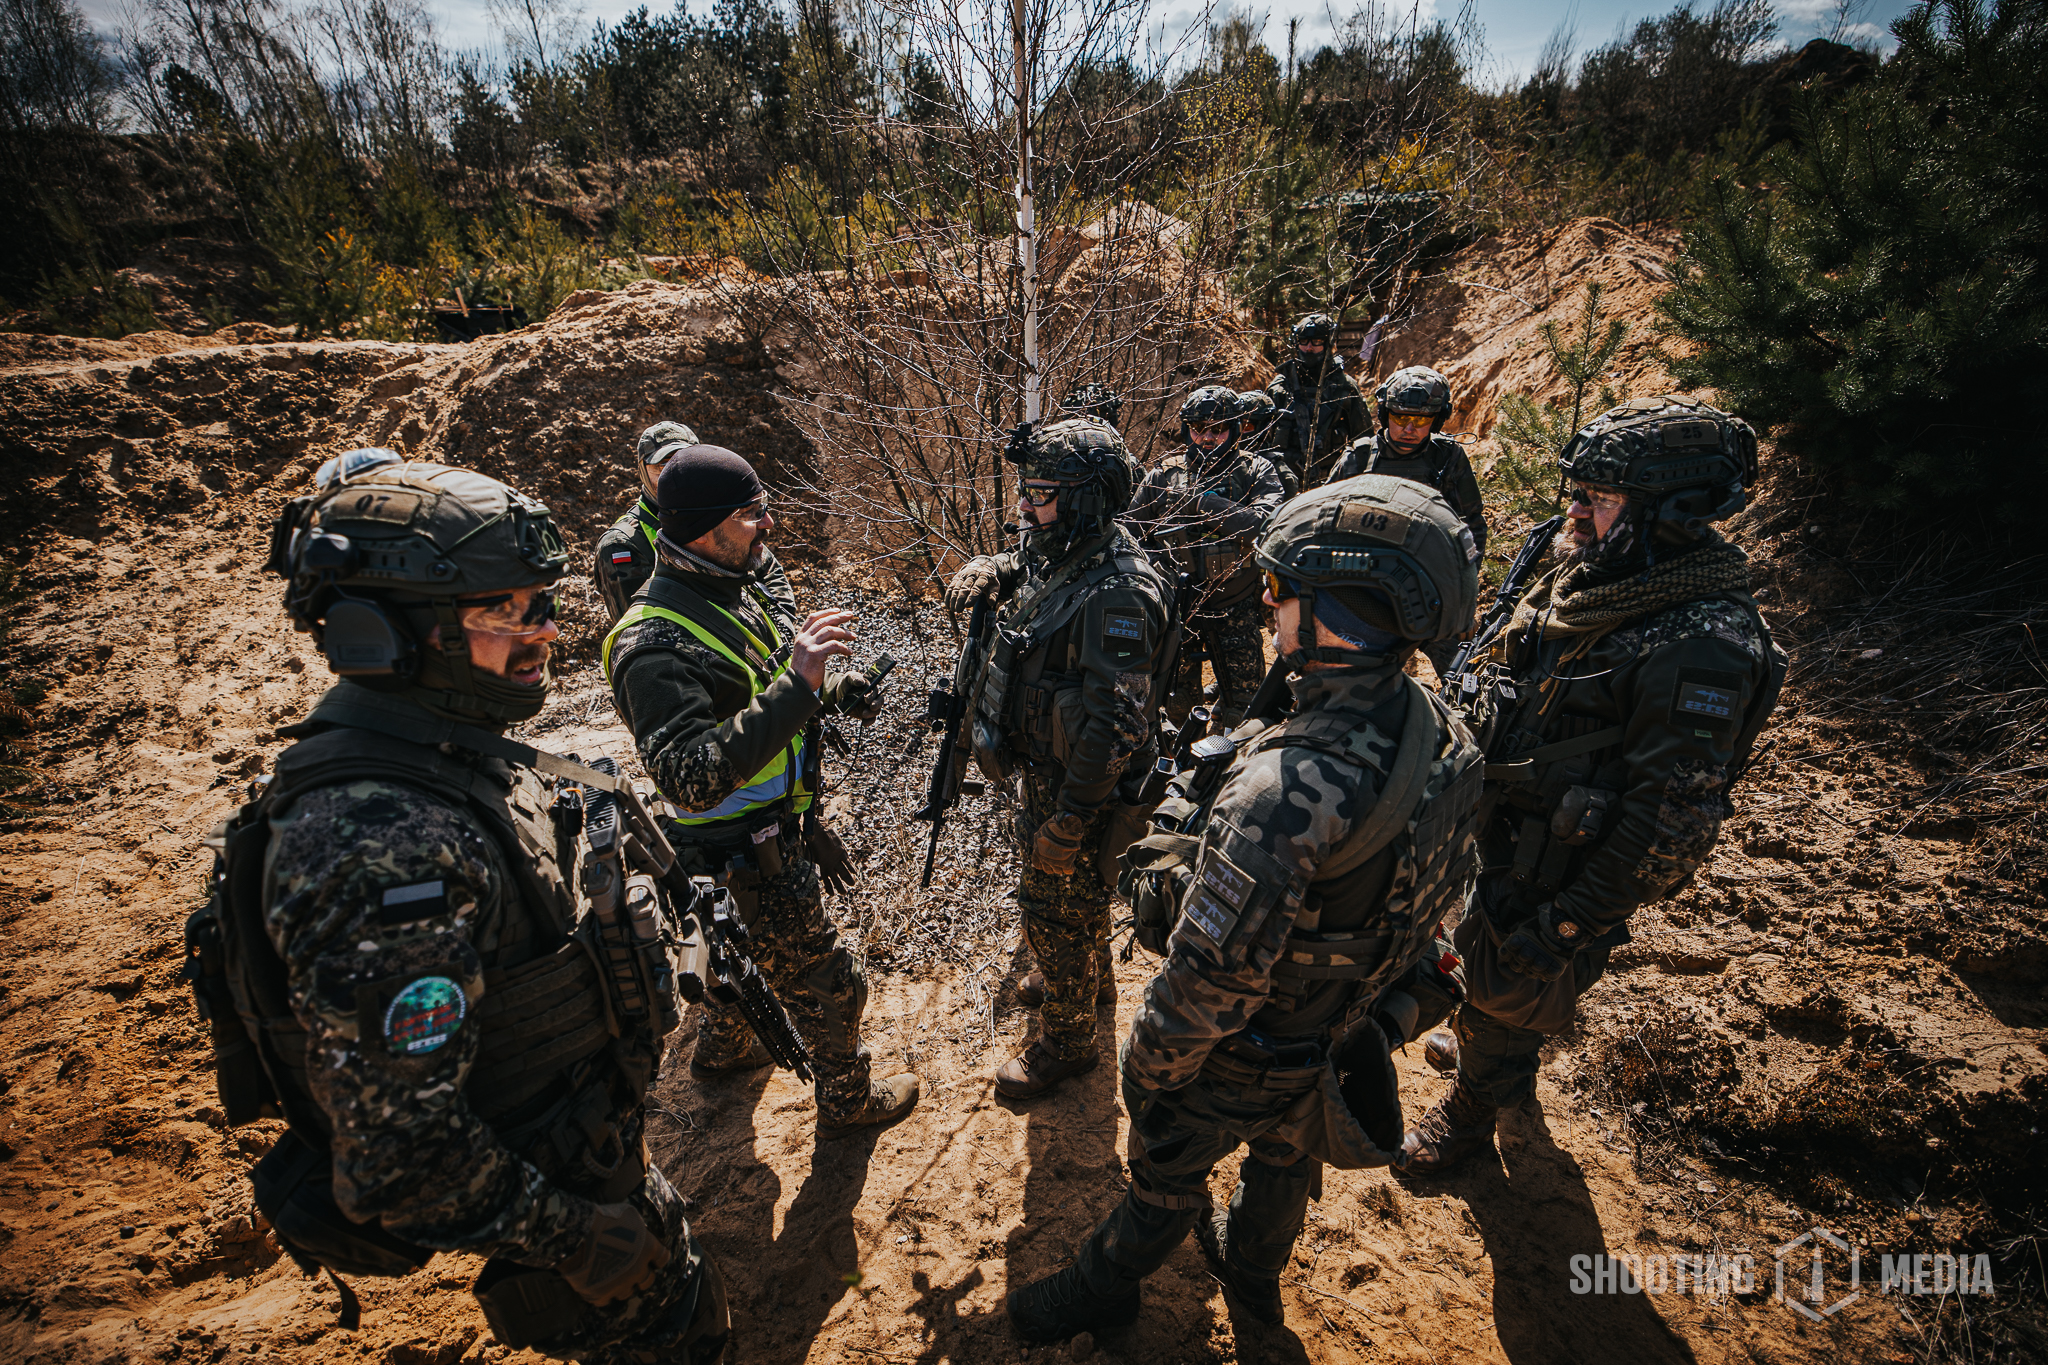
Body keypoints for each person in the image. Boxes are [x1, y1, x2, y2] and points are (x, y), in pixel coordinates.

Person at [238, 460, 729, 1361]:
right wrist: (582, 1241)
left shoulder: (446, 743)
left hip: (584, 1150)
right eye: (506, 609)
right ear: (387, 633)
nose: (546, 631)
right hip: (562, 1228)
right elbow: (406, 1158)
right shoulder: (380, 848)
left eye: (542, 601)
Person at [1006, 474, 1484, 1343]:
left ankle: (1103, 1283)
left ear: (1334, 610)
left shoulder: (1284, 788)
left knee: (1167, 1168)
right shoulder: (1443, 731)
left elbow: (1204, 985)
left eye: (1278, 590)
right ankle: (1251, 1274)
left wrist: (1146, 1075)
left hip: (1247, 1046)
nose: (1267, 608)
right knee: (1284, 1154)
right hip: (1344, 1029)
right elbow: (1446, 895)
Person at [1399, 396, 1784, 1176]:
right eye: (1576, 489)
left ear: (1667, 513)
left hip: (1564, 864)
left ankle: (1470, 1118)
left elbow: (1669, 829)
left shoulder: (1700, 642)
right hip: (1511, 822)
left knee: (1516, 968)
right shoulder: (1603, 575)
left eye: (1598, 498)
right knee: (1488, 970)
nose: (1573, 510)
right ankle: (1493, 1043)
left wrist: (1570, 926)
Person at [603, 444, 920, 1136]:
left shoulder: (725, 585)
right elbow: (689, 778)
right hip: (734, 851)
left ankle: (725, 1046)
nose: (768, 525)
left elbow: (767, 675)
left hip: (764, 836)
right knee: (832, 985)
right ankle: (847, 1100)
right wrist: (799, 685)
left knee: (731, 965)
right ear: (701, 526)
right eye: (752, 513)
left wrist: (831, 686)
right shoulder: (652, 643)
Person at [944, 420, 1173, 1098]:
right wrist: (995, 565)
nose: (1024, 506)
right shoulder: (1066, 548)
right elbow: (1036, 569)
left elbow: (1116, 723)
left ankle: (1069, 1044)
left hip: (1088, 786)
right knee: (1073, 901)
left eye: (1040, 494)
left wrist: (1071, 817)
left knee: (1054, 903)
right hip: (1051, 772)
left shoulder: (1121, 594)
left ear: (1083, 500)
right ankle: (1086, 982)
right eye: (1026, 490)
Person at [1126, 385, 1289, 729]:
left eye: (1218, 429)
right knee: (1175, 709)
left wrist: (1203, 503)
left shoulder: (1256, 471)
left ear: (1235, 429)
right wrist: (1156, 565)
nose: (1207, 438)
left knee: (1246, 711)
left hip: (1236, 604)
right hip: (1177, 609)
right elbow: (1129, 534)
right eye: (1199, 429)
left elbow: (1266, 525)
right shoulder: (1163, 475)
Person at [1329, 366, 1489, 674]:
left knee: (1465, 673)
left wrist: (1463, 590)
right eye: (1400, 417)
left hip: (1431, 590)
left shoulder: (1448, 458)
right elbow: (1325, 523)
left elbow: (1472, 526)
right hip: (1367, 590)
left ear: (1437, 420)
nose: (1409, 428)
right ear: (1384, 412)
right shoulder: (1358, 459)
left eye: (1421, 420)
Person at [595, 421, 796, 627]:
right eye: (662, 466)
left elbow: (767, 570)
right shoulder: (622, 544)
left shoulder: (722, 512)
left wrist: (781, 631)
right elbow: (637, 626)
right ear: (643, 472)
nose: (674, 474)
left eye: (683, 464)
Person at [1266, 313, 1370, 490]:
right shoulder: (1280, 387)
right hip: (1284, 482)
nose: (1309, 348)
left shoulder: (1344, 387)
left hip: (1332, 481)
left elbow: (1364, 439)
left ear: (1329, 344)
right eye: (1304, 341)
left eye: (1316, 342)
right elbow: (1261, 440)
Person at [1234, 390, 1297, 498]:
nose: (1239, 432)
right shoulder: (1220, 457)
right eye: (1236, 425)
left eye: (1246, 427)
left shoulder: (1278, 473)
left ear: (1264, 429)